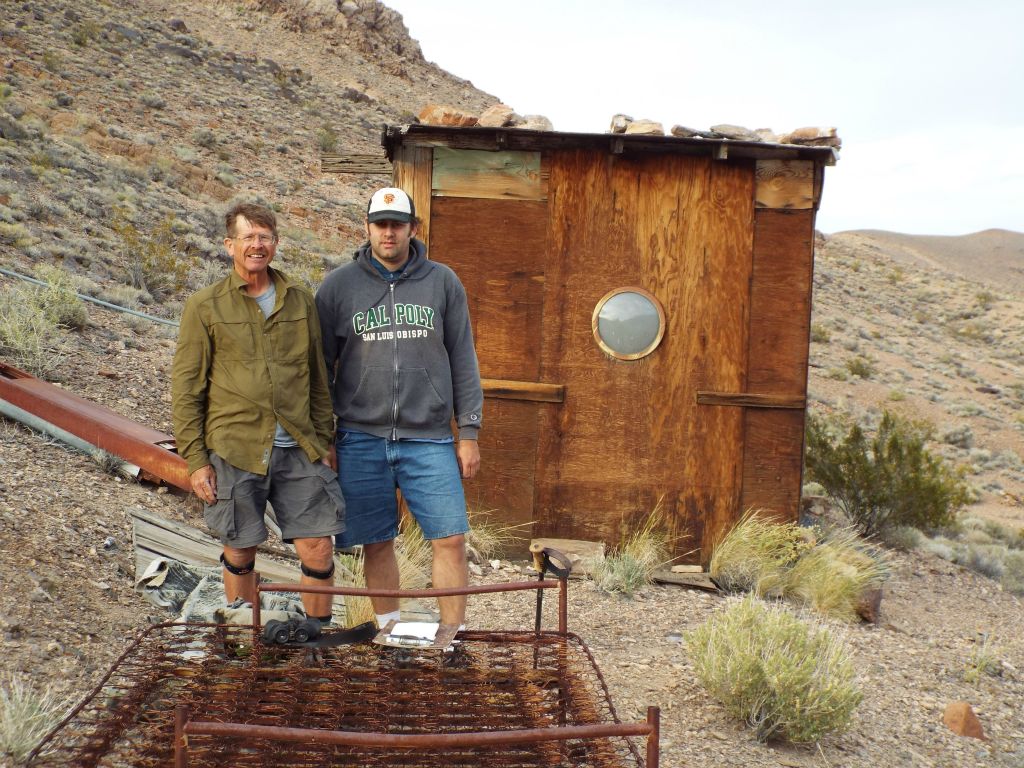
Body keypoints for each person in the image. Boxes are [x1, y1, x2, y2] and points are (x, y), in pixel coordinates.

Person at [316, 187, 482, 630]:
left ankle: (452, 637)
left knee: (449, 538)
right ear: (367, 227)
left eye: (397, 223)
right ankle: (389, 633)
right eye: (380, 223)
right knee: (375, 541)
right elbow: (318, 369)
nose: (388, 232)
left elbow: (463, 356)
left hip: (428, 437)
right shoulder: (338, 287)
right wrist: (323, 437)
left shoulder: (442, 281)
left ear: (413, 227)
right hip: (359, 437)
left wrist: (468, 432)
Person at [172, 202, 343, 624]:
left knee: (318, 546)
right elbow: (187, 388)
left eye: (264, 236)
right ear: (229, 245)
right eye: (248, 237)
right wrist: (196, 461)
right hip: (236, 449)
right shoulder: (206, 306)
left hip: (298, 448)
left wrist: (323, 440)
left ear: (276, 244)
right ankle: (242, 640)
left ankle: (315, 640)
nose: (257, 245)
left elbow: (318, 379)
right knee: (240, 546)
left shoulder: (301, 302)